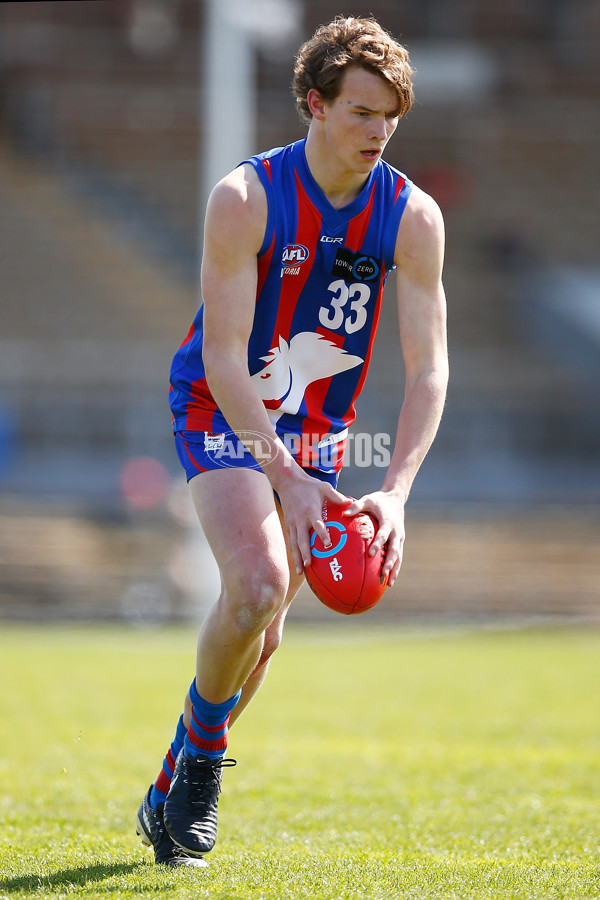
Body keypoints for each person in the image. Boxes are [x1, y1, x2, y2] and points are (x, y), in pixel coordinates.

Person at [136, 15, 448, 866]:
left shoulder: (412, 217)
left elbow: (427, 373)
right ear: (315, 104)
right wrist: (294, 480)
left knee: (264, 633)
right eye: (360, 112)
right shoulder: (246, 199)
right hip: (222, 406)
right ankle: (201, 771)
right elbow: (227, 360)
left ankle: (171, 778)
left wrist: (396, 493)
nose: (378, 132)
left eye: (391, 116)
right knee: (257, 586)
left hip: (321, 428)